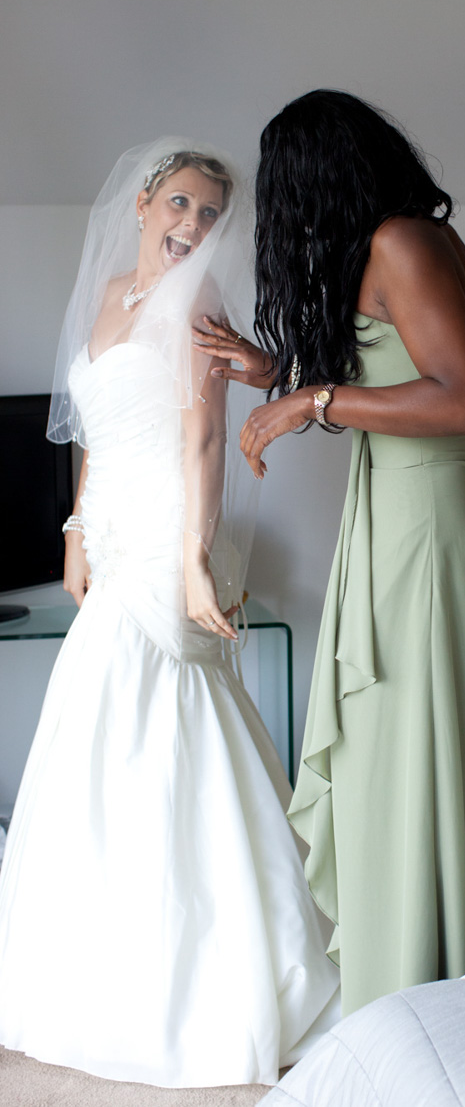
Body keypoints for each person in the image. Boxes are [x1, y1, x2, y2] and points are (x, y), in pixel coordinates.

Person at [0, 140, 339, 1088]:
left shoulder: (201, 312)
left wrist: (194, 562)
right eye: (181, 205)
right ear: (146, 201)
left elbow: (202, 443)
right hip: (108, 537)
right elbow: (91, 432)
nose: (192, 228)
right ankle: (87, 959)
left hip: (165, 541)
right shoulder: (109, 293)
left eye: (210, 216)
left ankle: (204, 970)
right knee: (95, 730)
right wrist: (72, 534)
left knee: (169, 717)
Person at [199, 90, 465, 1015]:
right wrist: (278, 374)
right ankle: (411, 986)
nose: (285, 209)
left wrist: (309, 403)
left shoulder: (402, 243)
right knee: (397, 753)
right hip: (397, 516)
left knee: (414, 749)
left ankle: (429, 993)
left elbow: (461, 401)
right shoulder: (402, 243)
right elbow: (389, 372)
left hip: (427, 529)